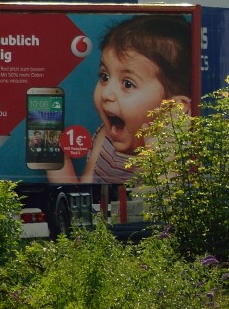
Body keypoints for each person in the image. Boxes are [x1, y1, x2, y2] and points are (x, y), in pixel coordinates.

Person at [47, 13, 192, 184]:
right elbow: (83, 198)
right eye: (104, 77)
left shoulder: (177, 158)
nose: (107, 93)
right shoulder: (106, 137)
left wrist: (163, 160)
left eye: (128, 84)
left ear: (173, 109)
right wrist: (58, 161)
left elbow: (163, 206)